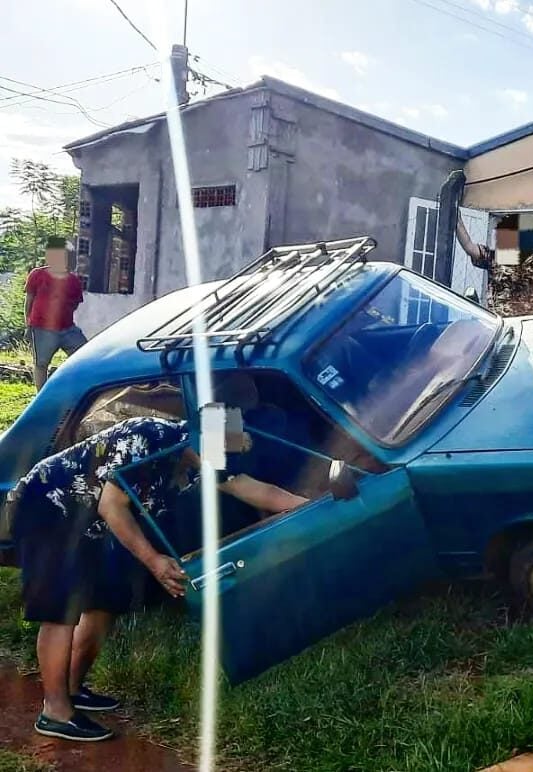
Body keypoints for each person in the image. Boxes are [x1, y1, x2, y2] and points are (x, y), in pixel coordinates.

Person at [8, 415, 308, 742]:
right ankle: (55, 711)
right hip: (47, 506)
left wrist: (312, 506)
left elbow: (253, 489)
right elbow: (112, 506)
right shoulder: (150, 439)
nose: (223, 464)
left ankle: (71, 689)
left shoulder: (200, 456)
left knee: (105, 602)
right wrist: (153, 561)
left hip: (86, 523)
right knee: (59, 609)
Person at [454, 213, 533, 316]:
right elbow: (469, 247)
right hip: (498, 321)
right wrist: (457, 220)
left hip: (525, 323)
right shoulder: (495, 257)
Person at [25, 236, 87, 391]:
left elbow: (75, 303)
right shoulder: (37, 275)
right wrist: (28, 323)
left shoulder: (73, 280)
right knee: (41, 364)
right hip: (41, 328)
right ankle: (41, 397)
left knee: (85, 357)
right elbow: (29, 300)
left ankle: (77, 389)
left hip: (67, 329)